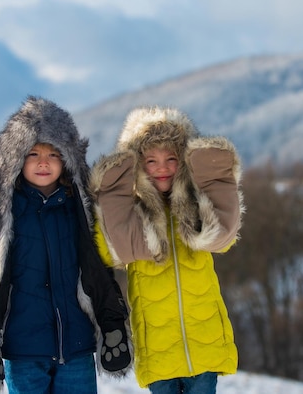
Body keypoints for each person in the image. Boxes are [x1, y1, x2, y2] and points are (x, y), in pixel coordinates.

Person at [0, 96, 132, 393]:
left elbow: (98, 269)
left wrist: (113, 320)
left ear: (67, 159)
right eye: (33, 153)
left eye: (53, 154)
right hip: (23, 348)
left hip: (77, 344)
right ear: (16, 157)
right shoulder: (0, 213)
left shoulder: (81, 210)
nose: (44, 162)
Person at [89, 106, 243, 394]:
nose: (162, 167)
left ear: (184, 161)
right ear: (136, 164)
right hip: (158, 346)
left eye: (171, 158)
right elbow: (108, 254)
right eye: (151, 160)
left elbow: (226, 238)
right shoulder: (129, 213)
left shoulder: (198, 204)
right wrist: (107, 206)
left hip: (204, 341)